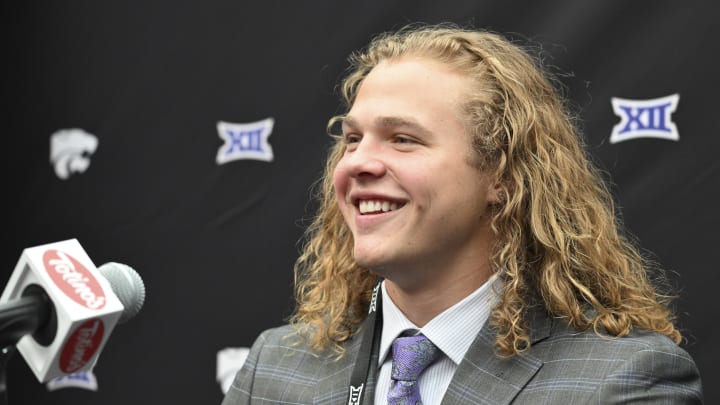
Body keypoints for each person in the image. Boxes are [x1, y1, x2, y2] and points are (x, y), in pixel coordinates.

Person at [221, 22, 703, 404]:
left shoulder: (621, 381)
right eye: (352, 139)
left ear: (503, 176)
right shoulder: (276, 368)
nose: (357, 163)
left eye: (403, 139)